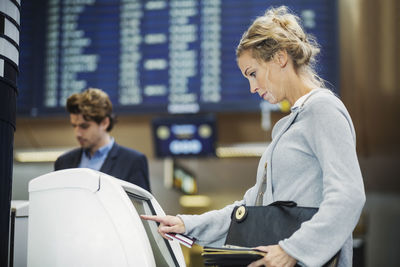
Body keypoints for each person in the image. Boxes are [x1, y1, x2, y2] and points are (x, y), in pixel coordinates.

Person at [142, 6, 365, 267]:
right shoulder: (288, 126)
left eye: (253, 73)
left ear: (280, 58)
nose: (252, 87)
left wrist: (293, 250)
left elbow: (349, 195)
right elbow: (248, 212)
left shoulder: (322, 109)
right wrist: (185, 224)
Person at [54, 88, 150, 192]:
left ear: (105, 123)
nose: (77, 133)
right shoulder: (63, 162)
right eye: (74, 126)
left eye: (84, 126)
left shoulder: (133, 161)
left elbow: (139, 208)